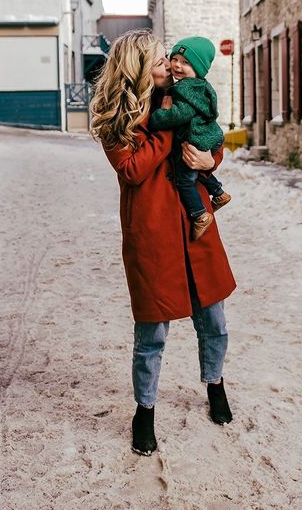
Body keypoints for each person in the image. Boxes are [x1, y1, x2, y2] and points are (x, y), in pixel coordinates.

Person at [90, 30, 236, 456]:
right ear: (137, 68)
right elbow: (132, 169)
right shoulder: (114, 117)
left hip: (195, 224)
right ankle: (145, 410)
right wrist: (169, 131)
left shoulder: (180, 93)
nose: (169, 65)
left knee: (214, 320)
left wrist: (210, 159)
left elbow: (208, 133)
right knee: (152, 331)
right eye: (159, 60)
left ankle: (215, 383)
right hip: (152, 232)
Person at [149, 36, 231, 241]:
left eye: (185, 63)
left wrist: (159, 116)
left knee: (184, 180)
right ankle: (219, 193)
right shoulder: (201, 86)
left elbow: (180, 114)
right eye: (175, 59)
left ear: (198, 68)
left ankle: (199, 214)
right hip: (210, 137)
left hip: (197, 140)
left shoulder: (185, 89)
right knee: (197, 171)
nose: (177, 65)